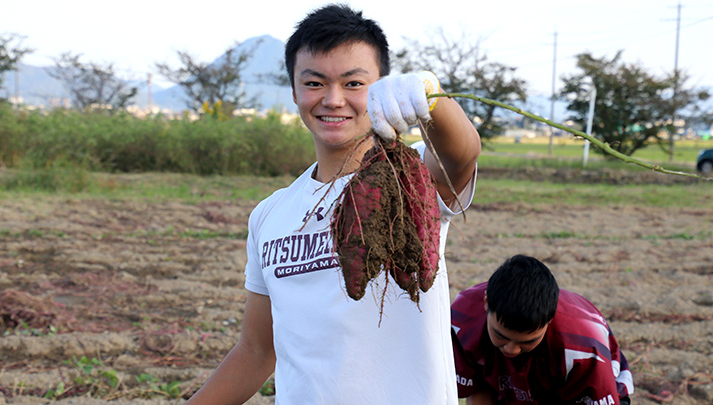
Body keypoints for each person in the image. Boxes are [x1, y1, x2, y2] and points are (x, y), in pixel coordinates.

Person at [187, 4, 480, 405]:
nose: (333, 99)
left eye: (354, 83)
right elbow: (257, 351)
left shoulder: (409, 180)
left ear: (381, 86)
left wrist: (433, 99)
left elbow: (461, 155)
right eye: (314, 83)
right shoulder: (270, 215)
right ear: (293, 90)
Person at [451, 255, 634, 405]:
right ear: (486, 303)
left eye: (527, 341)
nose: (511, 349)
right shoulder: (463, 319)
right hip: (509, 389)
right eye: (501, 336)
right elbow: (478, 389)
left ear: (550, 320)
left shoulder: (583, 344)